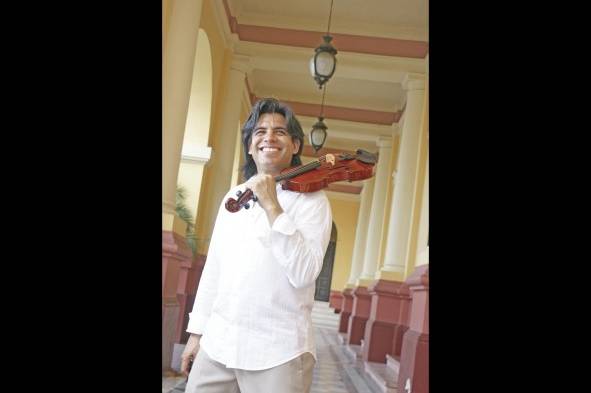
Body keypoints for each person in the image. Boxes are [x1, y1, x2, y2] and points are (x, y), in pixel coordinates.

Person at [180, 98, 333, 393]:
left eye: (280, 131)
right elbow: (215, 269)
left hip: (279, 351)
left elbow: (304, 272)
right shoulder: (234, 196)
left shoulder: (313, 202)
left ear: (296, 145)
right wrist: (197, 333)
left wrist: (273, 206)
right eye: (260, 131)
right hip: (219, 344)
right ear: (250, 145)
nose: (269, 138)